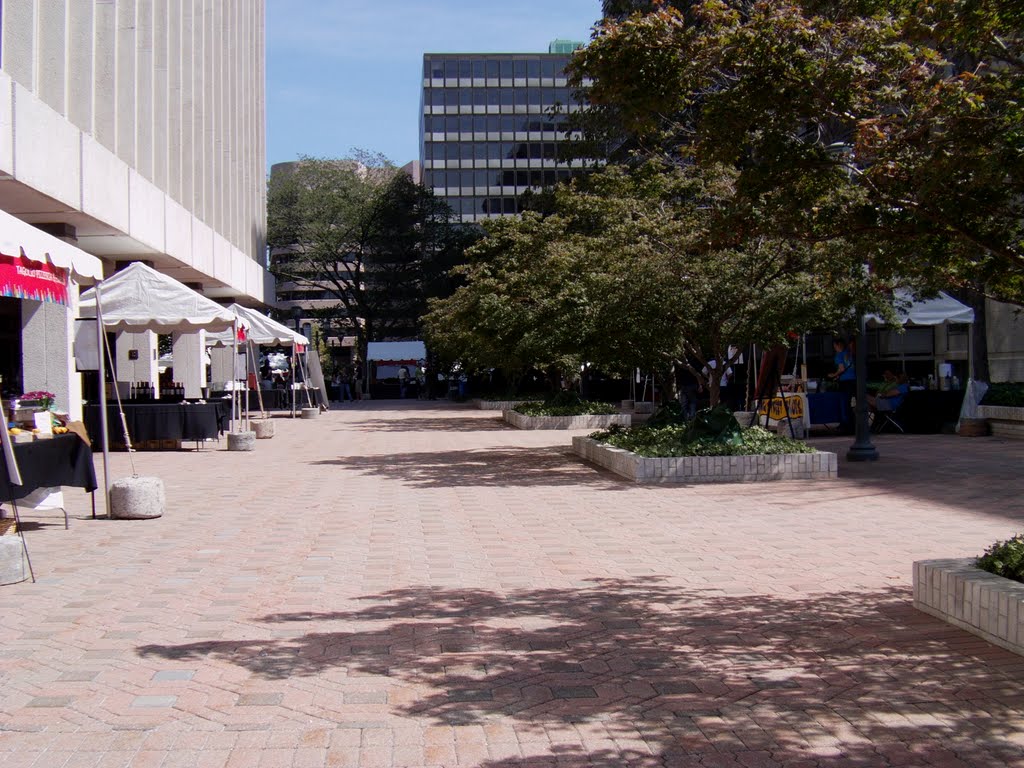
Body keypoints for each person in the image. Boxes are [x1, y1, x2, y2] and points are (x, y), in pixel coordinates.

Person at [828, 338, 856, 433]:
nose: (834, 348)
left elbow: (841, 369)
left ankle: (847, 425)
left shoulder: (839, 355)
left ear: (837, 345)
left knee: (845, 404)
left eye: (834, 346)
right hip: (854, 380)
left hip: (845, 382)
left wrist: (834, 375)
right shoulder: (849, 354)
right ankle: (853, 424)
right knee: (853, 403)